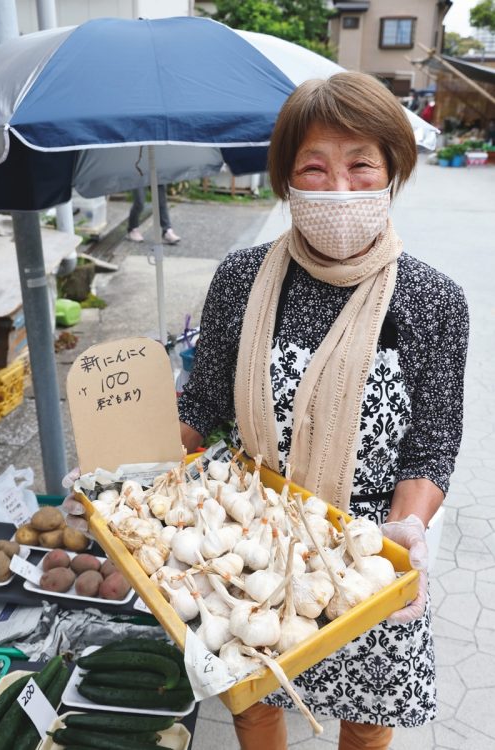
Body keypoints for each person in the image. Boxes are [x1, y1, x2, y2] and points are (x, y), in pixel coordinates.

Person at [177, 72, 469, 749]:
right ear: (286, 180)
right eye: (314, 167)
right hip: (252, 543)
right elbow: (205, 405)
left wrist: (409, 529)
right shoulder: (242, 279)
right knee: (254, 707)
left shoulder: (435, 300)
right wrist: (123, 471)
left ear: (393, 169)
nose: (339, 190)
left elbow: (431, 444)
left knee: (365, 730)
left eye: (361, 165)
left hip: (370, 553)